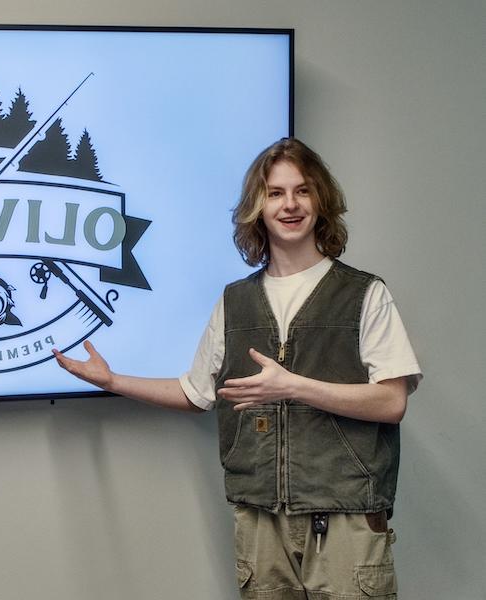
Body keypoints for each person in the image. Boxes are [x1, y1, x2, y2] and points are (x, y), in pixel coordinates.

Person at [53, 138, 421, 599]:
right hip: (260, 519)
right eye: (275, 193)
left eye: (302, 191)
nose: (290, 205)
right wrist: (112, 381)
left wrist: (292, 387)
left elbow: (392, 401)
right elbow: (196, 393)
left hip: (347, 517)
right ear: (257, 208)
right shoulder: (234, 301)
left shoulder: (365, 294)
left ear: (320, 201)